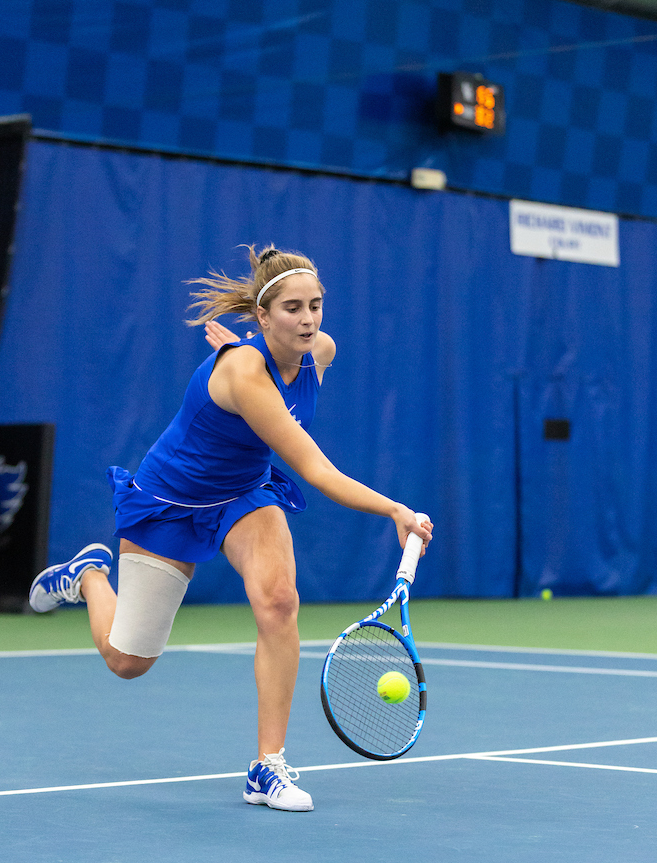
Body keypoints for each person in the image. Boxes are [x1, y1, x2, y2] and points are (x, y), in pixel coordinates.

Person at [29, 245, 432, 813]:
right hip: (171, 499)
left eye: (316, 305)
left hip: (243, 493)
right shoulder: (244, 371)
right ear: (262, 316)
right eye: (292, 308)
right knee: (128, 662)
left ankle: (267, 767)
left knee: (279, 601)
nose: (309, 319)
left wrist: (248, 369)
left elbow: (278, 401)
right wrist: (395, 510)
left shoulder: (320, 352)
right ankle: (90, 575)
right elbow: (316, 469)